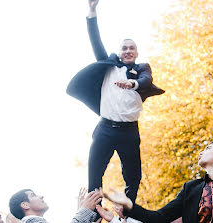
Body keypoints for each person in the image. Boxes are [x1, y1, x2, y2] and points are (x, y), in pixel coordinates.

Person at [66, 0, 165, 205]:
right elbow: (96, 42)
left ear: (136, 53)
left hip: (129, 131)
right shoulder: (109, 67)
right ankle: (94, 217)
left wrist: (132, 83)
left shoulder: (143, 68)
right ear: (119, 52)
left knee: (133, 177)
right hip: (105, 129)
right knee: (94, 176)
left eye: (132, 48)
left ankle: (127, 213)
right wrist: (92, 12)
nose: (128, 51)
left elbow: (147, 81)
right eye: (124, 48)